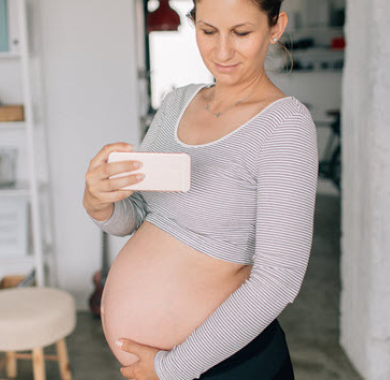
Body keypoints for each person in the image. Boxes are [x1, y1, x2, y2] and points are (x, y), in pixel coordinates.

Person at [82, 0, 318, 379]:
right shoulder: (177, 103)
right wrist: (98, 201)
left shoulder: (285, 125)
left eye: (241, 33)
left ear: (276, 27)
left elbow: (279, 279)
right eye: (208, 31)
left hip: (227, 367)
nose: (222, 51)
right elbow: (138, 217)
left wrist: (172, 368)